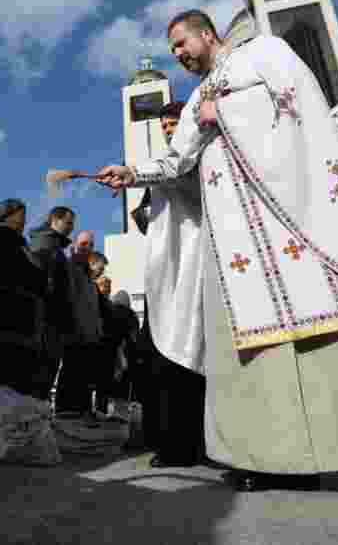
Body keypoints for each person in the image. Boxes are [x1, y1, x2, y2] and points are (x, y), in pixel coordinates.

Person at [97, 9, 338, 511]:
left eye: (181, 43)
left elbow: (301, 110)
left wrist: (229, 116)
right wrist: (132, 174)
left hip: (296, 225)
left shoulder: (264, 54)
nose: (178, 54)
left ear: (206, 33)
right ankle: (273, 461)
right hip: (236, 247)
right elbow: (179, 161)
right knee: (253, 362)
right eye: (172, 49)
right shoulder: (199, 95)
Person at [135, 99, 209, 468]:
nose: (168, 129)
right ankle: (170, 441)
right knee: (161, 353)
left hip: (198, 263)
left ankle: (194, 442)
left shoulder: (202, 153)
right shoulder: (161, 163)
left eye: (174, 122)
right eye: (164, 125)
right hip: (166, 269)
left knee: (191, 353)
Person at [0, 199, 52, 400]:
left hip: (18, 314)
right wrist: (41, 277)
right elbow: (20, 271)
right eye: (20, 214)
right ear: (7, 214)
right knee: (9, 369)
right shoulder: (2, 236)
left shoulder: (14, 240)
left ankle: (8, 414)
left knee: (15, 368)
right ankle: (2, 414)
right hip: (10, 314)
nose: (24, 220)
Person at [27, 206, 77, 398]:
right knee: (42, 372)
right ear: (55, 220)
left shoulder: (54, 246)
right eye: (69, 222)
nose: (71, 227)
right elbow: (42, 280)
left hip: (53, 320)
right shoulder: (46, 243)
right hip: (47, 320)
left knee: (47, 372)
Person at [54, 231, 105, 415]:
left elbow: (93, 312)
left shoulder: (88, 279)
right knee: (71, 377)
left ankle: (80, 414)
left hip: (88, 338)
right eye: (84, 244)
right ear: (75, 244)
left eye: (90, 245)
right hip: (74, 335)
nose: (87, 248)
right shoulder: (70, 269)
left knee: (82, 381)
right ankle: (66, 413)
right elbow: (71, 303)